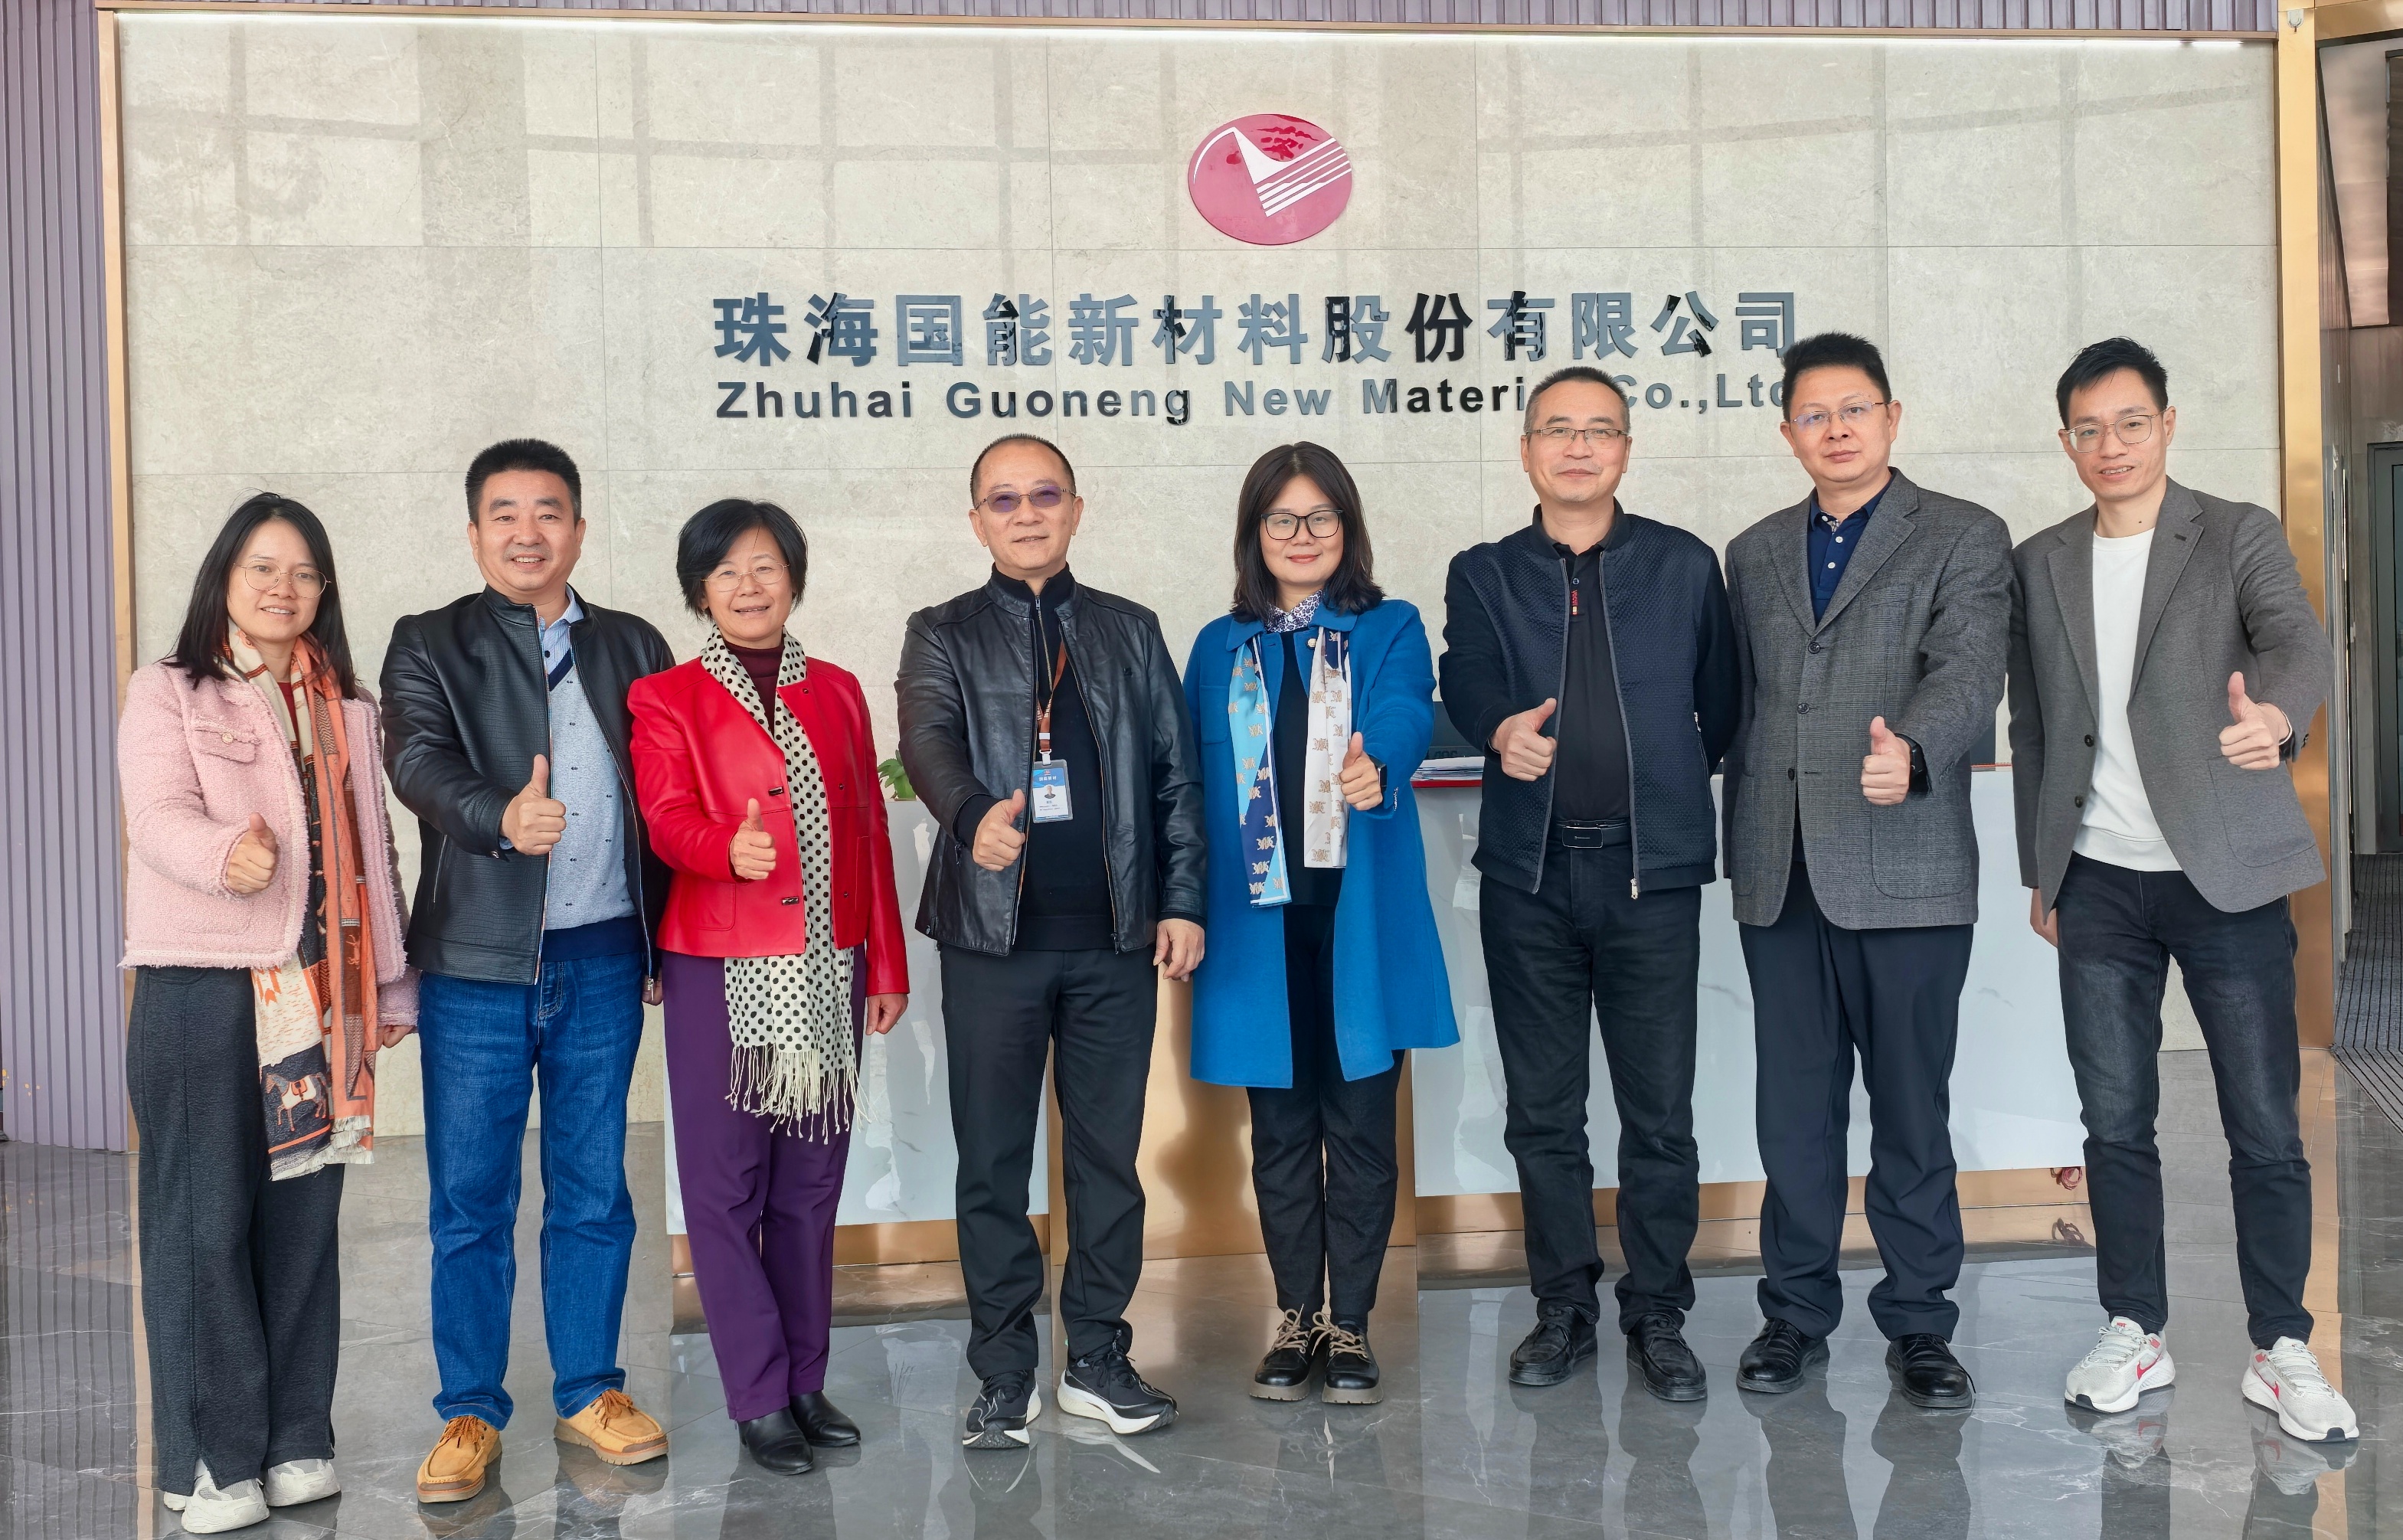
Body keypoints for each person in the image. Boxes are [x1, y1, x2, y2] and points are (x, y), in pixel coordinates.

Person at [2009, 338, 2354, 1441]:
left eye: (2130, 422)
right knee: (2114, 1120)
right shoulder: (2041, 559)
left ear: (2166, 423)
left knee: (2262, 1122)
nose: (2110, 445)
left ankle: (2280, 1344)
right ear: (2065, 441)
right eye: (2088, 428)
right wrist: (2041, 867)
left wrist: (2277, 717)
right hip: (2098, 881)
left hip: (2228, 875)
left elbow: (2297, 641)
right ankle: (2133, 1324)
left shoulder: (2235, 531)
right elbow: (2032, 724)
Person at [896, 433, 1206, 1450]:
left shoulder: (1128, 629)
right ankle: (1003, 1370)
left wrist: (1183, 899)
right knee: (993, 1161)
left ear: (1076, 508)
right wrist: (969, 811)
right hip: (992, 943)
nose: (1025, 514)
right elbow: (926, 738)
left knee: (1108, 1161)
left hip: (1114, 941)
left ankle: (1099, 1357)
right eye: (1003, 499)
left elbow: (1176, 773)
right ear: (976, 520)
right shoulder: (940, 631)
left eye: (1043, 495)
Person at [381, 439, 677, 1502]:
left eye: (548, 511)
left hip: (603, 953)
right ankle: (469, 1408)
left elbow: (667, 791)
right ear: (475, 534)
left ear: (579, 530)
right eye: (504, 513)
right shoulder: (428, 641)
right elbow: (417, 761)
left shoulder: (633, 643)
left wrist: (663, 934)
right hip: (476, 961)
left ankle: (591, 1387)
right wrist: (499, 817)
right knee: (470, 1196)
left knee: (593, 1186)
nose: (526, 532)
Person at [1721, 332, 2012, 1409]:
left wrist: (1918, 746)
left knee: (1909, 1109)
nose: (1835, 429)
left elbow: (1969, 666)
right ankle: (1793, 1314)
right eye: (1814, 413)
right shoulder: (1751, 550)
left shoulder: (1963, 534)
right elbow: (1738, 698)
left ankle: (1920, 1323)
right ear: (1786, 431)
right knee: (1793, 1113)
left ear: (1892, 417)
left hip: (1908, 865)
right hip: (1780, 869)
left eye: (1854, 409)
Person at [1440, 365, 1739, 1401]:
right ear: (1526, 450)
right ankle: (1562, 1305)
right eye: (1557, 430)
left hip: (1651, 876)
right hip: (1529, 877)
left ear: (1625, 449)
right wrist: (1497, 728)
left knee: (1659, 1113)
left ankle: (1657, 1311)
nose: (1578, 446)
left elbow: (1721, 703)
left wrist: (1660, 778)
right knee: (1543, 1110)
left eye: (1598, 429)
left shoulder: (1683, 564)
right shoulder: (1484, 572)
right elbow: (1465, 674)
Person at [119, 494, 417, 1532]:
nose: (283, 587)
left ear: (323, 590)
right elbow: (156, 812)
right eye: (262, 567)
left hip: (322, 995)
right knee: (204, 1226)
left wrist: (392, 983)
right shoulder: (170, 688)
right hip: (204, 984)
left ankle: (295, 1439)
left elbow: (374, 851)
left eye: (303, 571)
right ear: (225, 576)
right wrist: (223, 856)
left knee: (303, 1222)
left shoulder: (347, 706)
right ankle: (212, 1459)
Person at [629, 499, 911, 1474]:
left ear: (793, 576)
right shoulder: (665, 696)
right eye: (727, 572)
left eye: (765, 567)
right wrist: (724, 848)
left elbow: (868, 830)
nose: (749, 587)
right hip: (719, 967)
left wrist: (885, 963)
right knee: (724, 1190)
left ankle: (804, 1380)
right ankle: (756, 1395)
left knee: (811, 1186)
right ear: (699, 592)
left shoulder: (837, 690)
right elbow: (664, 816)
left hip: (829, 966)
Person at [1183, 442, 1457, 1406]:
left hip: (1357, 925)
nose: (1302, 536)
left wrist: (1379, 759)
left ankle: (1352, 1324)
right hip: (1258, 929)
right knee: (1282, 1136)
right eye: (1282, 519)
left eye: (1321, 518)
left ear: (1348, 528)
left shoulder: (1387, 626)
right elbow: (1187, 785)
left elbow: (1406, 708)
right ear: (1255, 533)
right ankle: (1297, 1316)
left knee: (1363, 1131)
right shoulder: (1220, 647)